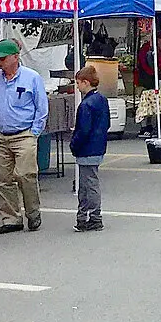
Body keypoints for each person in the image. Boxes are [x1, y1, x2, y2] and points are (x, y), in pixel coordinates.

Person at [0, 40, 48, 235]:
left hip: (23, 133)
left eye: (3, 58)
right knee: (2, 179)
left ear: (15, 57)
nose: (0, 62)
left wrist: (34, 132)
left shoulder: (32, 78)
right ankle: (11, 218)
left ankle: (32, 212)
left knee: (25, 174)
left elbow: (42, 107)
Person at [70, 66, 109, 233]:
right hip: (98, 146)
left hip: (87, 149)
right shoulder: (101, 100)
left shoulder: (85, 105)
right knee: (90, 182)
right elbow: (106, 124)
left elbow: (83, 130)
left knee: (87, 185)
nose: (77, 86)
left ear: (86, 82)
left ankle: (91, 217)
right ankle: (90, 216)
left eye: (78, 83)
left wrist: (74, 144)